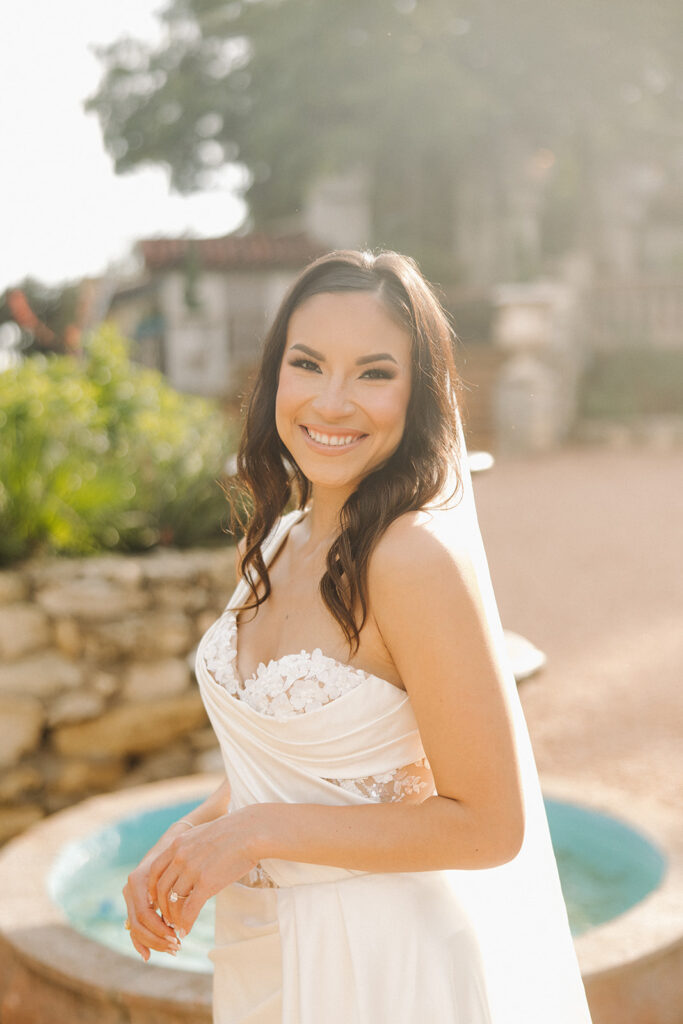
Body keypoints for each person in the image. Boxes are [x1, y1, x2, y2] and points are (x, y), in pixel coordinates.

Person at [123, 250, 593, 1023]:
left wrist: (257, 833)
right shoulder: (281, 539)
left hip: (385, 968)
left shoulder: (410, 561)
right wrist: (184, 842)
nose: (332, 402)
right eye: (307, 364)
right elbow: (291, 766)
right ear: (275, 374)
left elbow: (489, 825)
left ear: (418, 396)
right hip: (266, 950)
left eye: (373, 373)